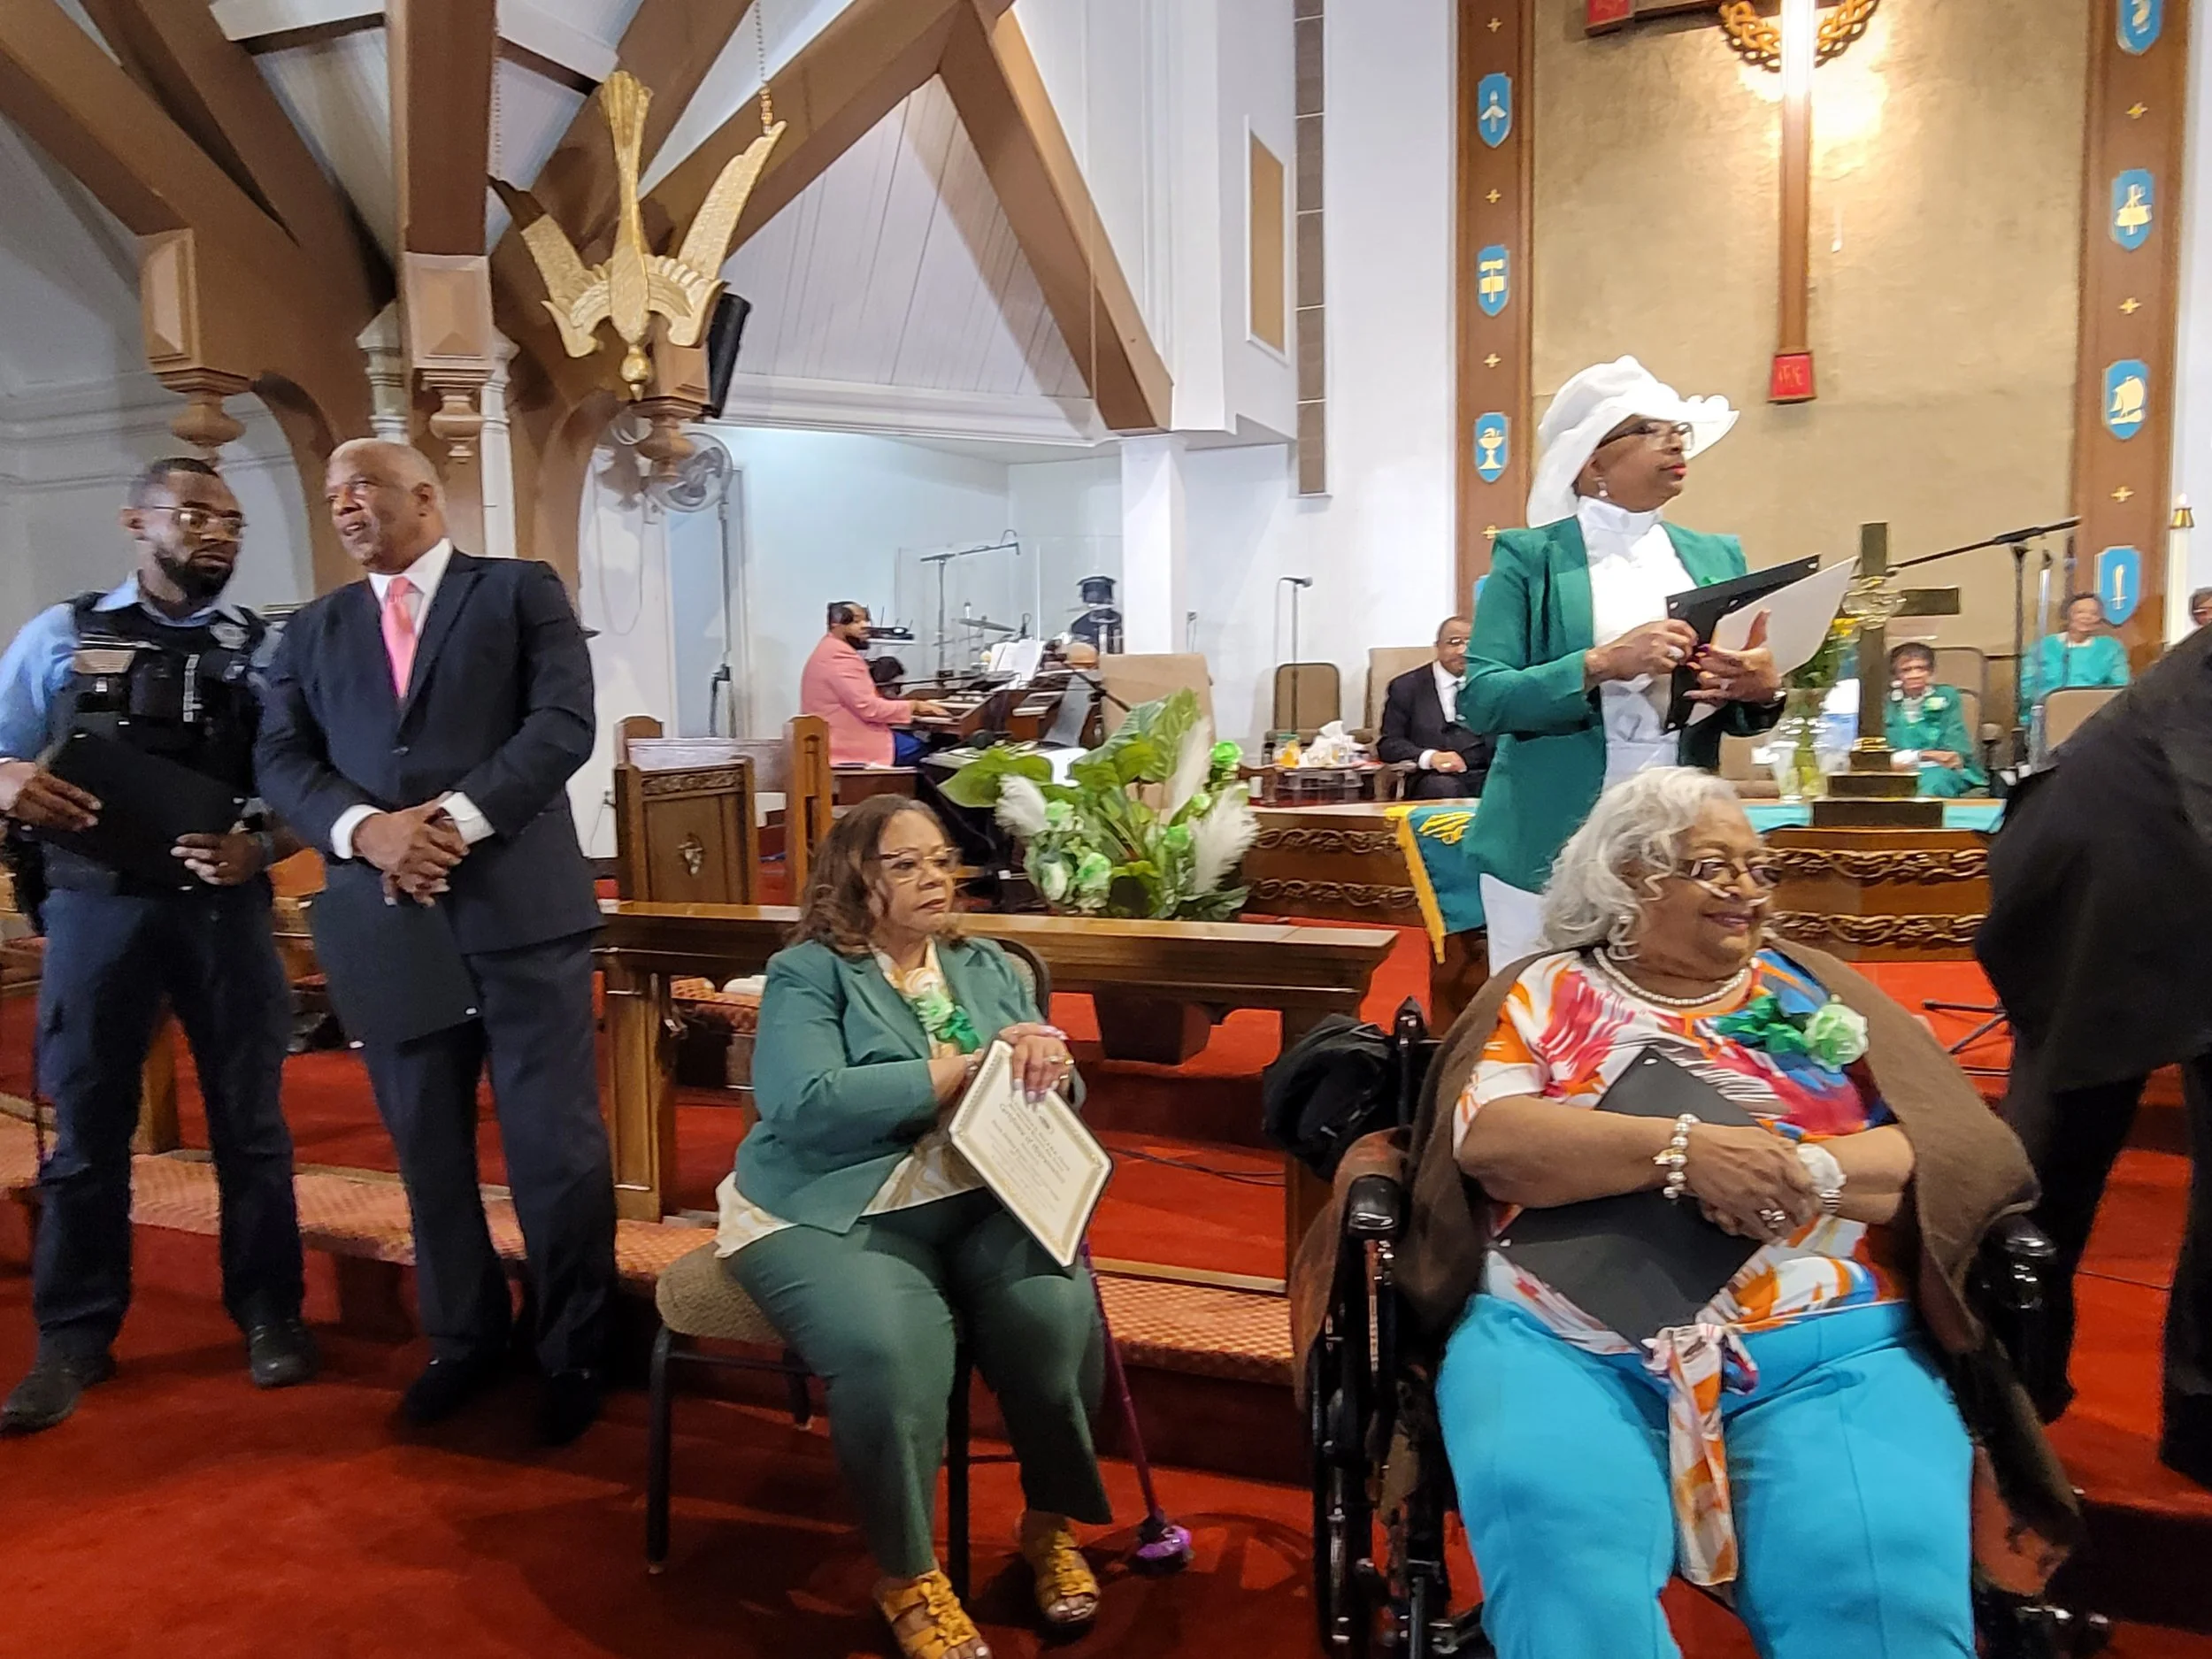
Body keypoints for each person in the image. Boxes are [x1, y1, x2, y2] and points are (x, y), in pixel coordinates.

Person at [1397, 768, 2074, 1658]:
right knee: (1567, 1581)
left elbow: (1937, 1152)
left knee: (1880, 1593)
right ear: (1629, 878)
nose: (1747, 891)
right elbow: (1492, 1139)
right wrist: (1683, 1154)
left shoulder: (1813, 992)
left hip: (1827, 1346)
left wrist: (1794, 1170)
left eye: (1758, 870)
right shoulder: (1546, 992)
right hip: (1561, 1340)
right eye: (1713, 868)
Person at [256, 438, 617, 1446]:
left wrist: (451, 821)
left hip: (519, 910)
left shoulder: (514, 592)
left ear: (424, 493)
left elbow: (562, 724)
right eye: (332, 495)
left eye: (361, 486)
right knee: (426, 1144)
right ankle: (463, 1340)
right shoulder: (315, 629)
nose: (344, 507)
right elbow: (279, 755)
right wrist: (368, 833)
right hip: (388, 914)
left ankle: (574, 1347)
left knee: (554, 1145)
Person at [719, 795, 1111, 1659]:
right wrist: (956, 1069)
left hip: (982, 1191)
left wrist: (1050, 1060)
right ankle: (906, 1574)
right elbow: (800, 1102)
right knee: (890, 1351)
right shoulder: (810, 974)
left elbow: (1060, 1095)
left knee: (1052, 1315)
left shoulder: (985, 964)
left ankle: (1047, 1529)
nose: (934, 877)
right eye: (906, 865)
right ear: (854, 879)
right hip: (834, 1197)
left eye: (941, 861)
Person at [0, 457, 313, 1433]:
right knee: (88, 1130)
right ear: (137, 521)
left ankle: (269, 1311)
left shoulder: (267, 651)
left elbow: (308, 788)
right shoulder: (59, 635)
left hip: (223, 910)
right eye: (194, 514)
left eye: (231, 519)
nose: (216, 531)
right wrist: (7, 780)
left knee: (251, 1128)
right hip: (100, 908)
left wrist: (259, 844)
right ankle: (74, 1336)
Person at [1978, 623, 2212, 1486]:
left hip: (2174, 862)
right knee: (2053, 1158)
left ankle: (2200, 1421)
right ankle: (2001, 1400)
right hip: (2108, 868)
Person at [1457, 357, 1783, 966]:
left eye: (1678, 428)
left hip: (1683, 837)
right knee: (1546, 1017)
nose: (1675, 439)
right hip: (1551, 831)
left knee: (1675, 1007)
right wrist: (1603, 661)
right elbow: (1483, 698)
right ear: (1593, 460)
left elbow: (1741, 709)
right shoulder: (1531, 558)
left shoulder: (1715, 554)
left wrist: (1760, 688)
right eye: (1650, 427)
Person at [801, 603, 948, 766]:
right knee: (933, 753)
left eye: (866, 620)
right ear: (836, 624)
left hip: (840, 738)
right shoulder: (840, 657)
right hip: (850, 745)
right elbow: (869, 709)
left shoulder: (829, 649)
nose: (866, 626)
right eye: (856, 621)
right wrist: (915, 706)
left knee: (921, 743)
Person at [1377, 617, 1494, 800]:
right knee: (1443, 788)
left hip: (1485, 773)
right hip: (1432, 777)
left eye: (1470, 643)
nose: (1462, 650)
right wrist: (1430, 757)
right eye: (1454, 642)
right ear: (1437, 646)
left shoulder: (1493, 685)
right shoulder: (1406, 687)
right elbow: (1389, 745)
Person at [1884, 641, 1985, 798]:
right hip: (1895, 771)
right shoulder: (1883, 704)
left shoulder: (1947, 696)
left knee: (1934, 784)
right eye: (1906, 670)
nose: (1915, 674)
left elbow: (1954, 753)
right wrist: (1925, 755)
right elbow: (1881, 757)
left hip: (1939, 770)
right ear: (1896, 675)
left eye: (1921, 668)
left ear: (1930, 672)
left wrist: (1934, 758)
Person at [2023, 591, 2129, 720]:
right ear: (2067, 616)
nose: (2087, 617)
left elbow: (2120, 686)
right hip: (2048, 715)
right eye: (2080, 612)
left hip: (2093, 717)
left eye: (2093, 613)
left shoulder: (2110, 648)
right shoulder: (2043, 646)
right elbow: (2027, 688)